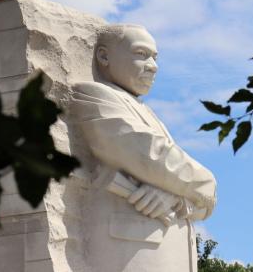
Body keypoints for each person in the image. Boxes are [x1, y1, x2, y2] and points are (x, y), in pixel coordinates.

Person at [70, 24, 216, 272]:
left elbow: (197, 202)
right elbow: (151, 156)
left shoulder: (147, 112)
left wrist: (175, 195)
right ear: (104, 56)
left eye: (155, 57)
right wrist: (207, 184)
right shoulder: (94, 95)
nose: (153, 66)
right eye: (141, 54)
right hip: (129, 252)